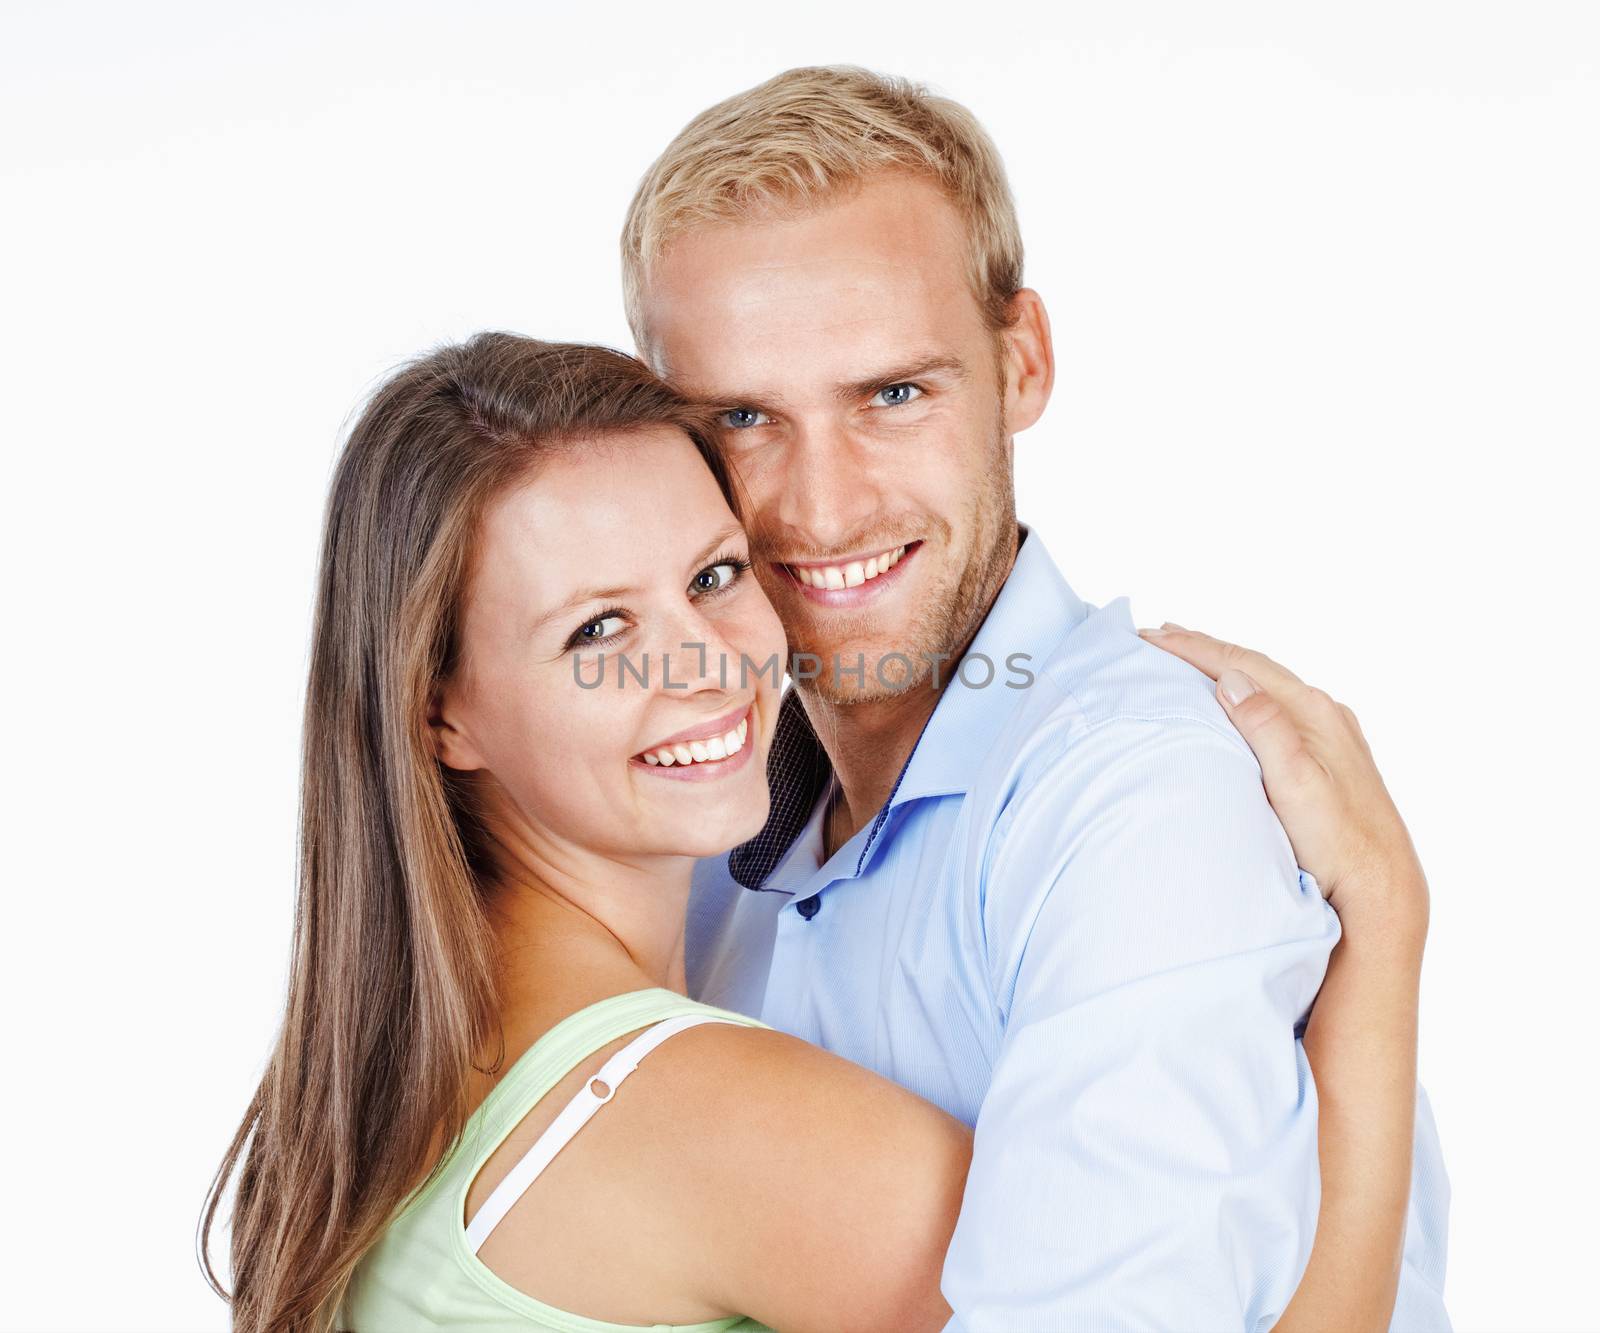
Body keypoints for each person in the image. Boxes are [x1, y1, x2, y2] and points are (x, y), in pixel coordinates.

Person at [205, 333, 1436, 1332]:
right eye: (595, 633)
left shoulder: (388, 1094)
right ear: (442, 712)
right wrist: (1381, 937)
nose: (700, 662)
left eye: (712, 576)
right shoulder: (704, 1119)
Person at [623, 67, 1450, 1328]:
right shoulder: (701, 813)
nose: (822, 507)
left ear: (1021, 365)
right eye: (740, 417)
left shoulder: (1136, 797)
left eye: (894, 394)